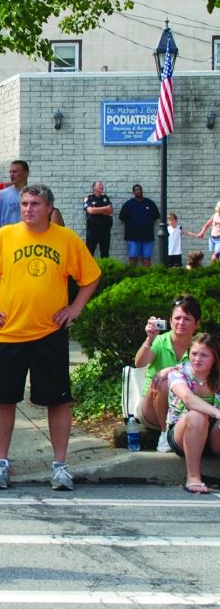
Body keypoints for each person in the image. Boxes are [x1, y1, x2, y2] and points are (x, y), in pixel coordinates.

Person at [0, 184, 101, 491]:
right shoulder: (4, 236)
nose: (28, 209)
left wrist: (75, 308)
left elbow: (91, 276)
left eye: (35, 204)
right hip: (9, 333)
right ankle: (1, 465)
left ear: (49, 209)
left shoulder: (66, 239)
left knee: (58, 402)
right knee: (3, 400)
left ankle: (60, 466)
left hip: (49, 333)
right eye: (25, 203)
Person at [134, 295, 201, 445]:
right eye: (177, 318)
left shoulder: (199, 347)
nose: (181, 323)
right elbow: (139, 363)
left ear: (197, 324)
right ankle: (165, 435)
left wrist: (171, 369)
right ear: (170, 321)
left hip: (183, 409)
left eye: (187, 319)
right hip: (153, 410)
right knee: (165, 381)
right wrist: (149, 339)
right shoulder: (159, 341)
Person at [161, 333, 220, 494]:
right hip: (183, 432)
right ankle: (193, 477)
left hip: (214, 436)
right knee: (197, 415)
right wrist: (217, 413)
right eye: (194, 354)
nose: (197, 359)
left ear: (214, 358)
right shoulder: (178, 372)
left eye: (204, 355)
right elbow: (188, 399)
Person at [118, 184, 160, 267]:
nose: (139, 191)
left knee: (147, 256)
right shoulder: (128, 204)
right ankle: (133, 274)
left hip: (147, 236)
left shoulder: (150, 203)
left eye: (140, 189)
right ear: (133, 192)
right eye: (136, 190)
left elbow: (156, 217)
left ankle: (147, 275)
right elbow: (122, 218)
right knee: (133, 256)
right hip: (133, 237)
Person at [0, 160, 29, 233]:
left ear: (26, 173)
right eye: (10, 172)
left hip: (27, 238)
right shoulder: (1, 195)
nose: (11, 175)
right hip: (6, 237)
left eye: (15, 172)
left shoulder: (34, 195)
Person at [82, 180, 114, 258]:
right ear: (94, 188)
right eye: (99, 185)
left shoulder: (105, 198)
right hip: (93, 229)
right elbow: (91, 211)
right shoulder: (89, 199)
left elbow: (110, 211)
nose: (102, 186)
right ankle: (90, 270)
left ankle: (105, 269)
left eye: (102, 185)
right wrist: (105, 208)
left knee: (105, 252)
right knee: (90, 252)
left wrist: (97, 210)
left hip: (105, 229)